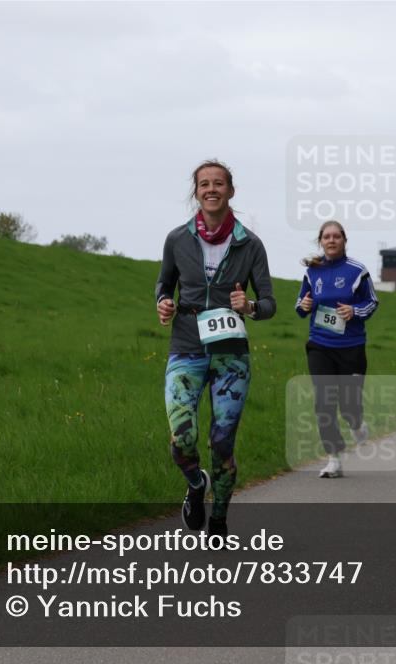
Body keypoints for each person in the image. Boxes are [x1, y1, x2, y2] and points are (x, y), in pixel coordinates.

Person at [156, 159, 276, 538]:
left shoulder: (249, 244)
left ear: (231, 191)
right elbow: (164, 285)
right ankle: (195, 484)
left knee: (222, 440)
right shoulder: (177, 239)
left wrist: (250, 307)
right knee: (182, 437)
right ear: (196, 192)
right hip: (187, 346)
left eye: (219, 183)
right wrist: (163, 303)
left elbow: (269, 303)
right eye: (204, 184)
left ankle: (220, 517)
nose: (211, 189)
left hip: (230, 355)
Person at [296, 221, 379, 478]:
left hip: (351, 348)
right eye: (326, 237)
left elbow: (372, 302)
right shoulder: (313, 271)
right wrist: (305, 305)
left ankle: (356, 424)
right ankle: (334, 458)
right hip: (320, 344)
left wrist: (354, 311)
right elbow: (300, 305)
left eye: (336, 236)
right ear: (320, 241)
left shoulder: (357, 271)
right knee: (324, 403)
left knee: (349, 407)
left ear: (344, 240)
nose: (331, 240)